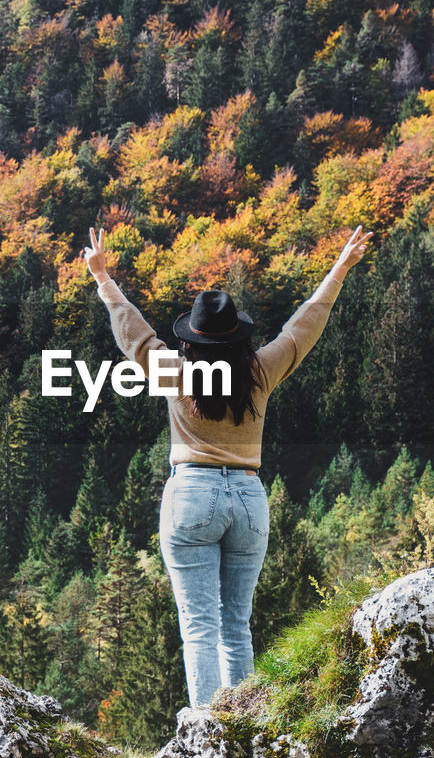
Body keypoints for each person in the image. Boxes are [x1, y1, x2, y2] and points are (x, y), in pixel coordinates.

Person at [83, 223, 372, 707]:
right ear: (238, 338)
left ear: (192, 341)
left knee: (199, 628)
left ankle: (208, 737)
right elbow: (305, 325)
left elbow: (133, 335)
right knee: (236, 626)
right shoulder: (261, 371)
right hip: (248, 498)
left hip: (191, 494)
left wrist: (102, 278)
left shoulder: (175, 371)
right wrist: (340, 268)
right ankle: (246, 728)